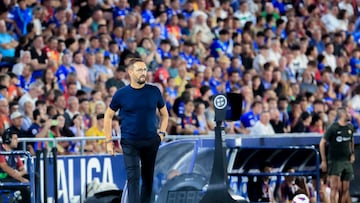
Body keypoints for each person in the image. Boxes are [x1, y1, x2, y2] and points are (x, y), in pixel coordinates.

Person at [104, 57, 169, 203]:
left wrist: (162, 133)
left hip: (151, 141)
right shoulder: (121, 93)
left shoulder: (154, 91)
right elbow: (108, 116)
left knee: (148, 179)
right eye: (140, 69)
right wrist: (108, 142)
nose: (143, 72)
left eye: (145, 69)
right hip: (130, 141)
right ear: (130, 72)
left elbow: (165, 114)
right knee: (133, 178)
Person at [319, 107, 355, 203]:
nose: (350, 114)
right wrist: (323, 161)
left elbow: (351, 140)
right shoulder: (333, 128)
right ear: (343, 114)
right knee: (335, 187)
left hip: (346, 161)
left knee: (345, 189)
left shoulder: (350, 127)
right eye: (348, 113)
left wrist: (352, 153)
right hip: (335, 161)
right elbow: (322, 143)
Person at [0, 128, 30, 203]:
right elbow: (4, 167)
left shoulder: (15, 153)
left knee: (35, 176)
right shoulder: (1, 151)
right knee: (23, 187)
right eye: (15, 139)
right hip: (3, 178)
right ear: (8, 139)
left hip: (13, 177)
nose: (18, 141)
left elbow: (23, 169)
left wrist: (19, 174)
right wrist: (21, 179)